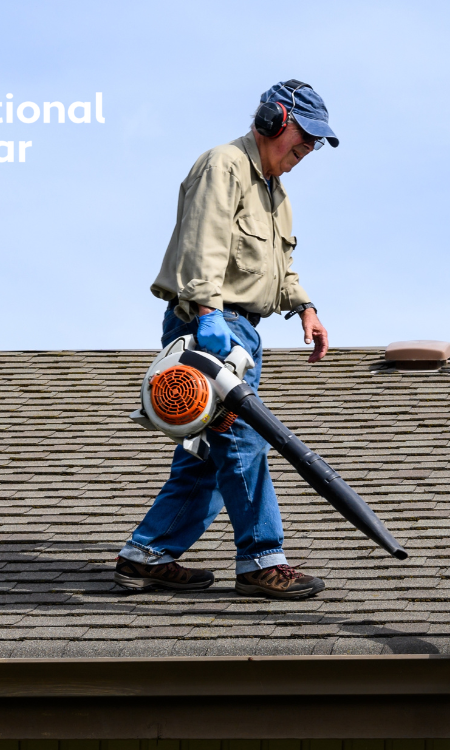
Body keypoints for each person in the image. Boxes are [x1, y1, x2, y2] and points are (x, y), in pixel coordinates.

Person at [115, 80, 339, 599]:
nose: (306, 151)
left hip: (243, 333)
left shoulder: (276, 195)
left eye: (314, 145)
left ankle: (147, 552)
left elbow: (278, 269)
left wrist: (304, 306)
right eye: (303, 137)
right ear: (272, 120)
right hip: (210, 325)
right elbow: (204, 243)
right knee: (242, 443)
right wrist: (208, 315)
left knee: (208, 457)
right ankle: (263, 559)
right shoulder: (225, 165)